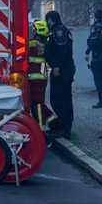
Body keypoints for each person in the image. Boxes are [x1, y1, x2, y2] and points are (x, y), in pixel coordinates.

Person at [44, 10, 75, 139]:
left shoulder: (58, 31)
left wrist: (56, 66)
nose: (47, 23)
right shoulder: (61, 31)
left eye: (47, 21)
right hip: (65, 68)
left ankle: (63, 127)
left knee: (59, 99)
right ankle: (64, 127)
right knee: (65, 98)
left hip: (62, 70)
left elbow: (61, 50)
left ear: (51, 19)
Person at [27, 20, 57, 132]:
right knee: (37, 103)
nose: (32, 31)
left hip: (36, 78)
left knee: (37, 104)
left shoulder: (33, 44)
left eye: (34, 29)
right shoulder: (47, 44)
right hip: (40, 78)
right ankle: (54, 121)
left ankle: (41, 128)